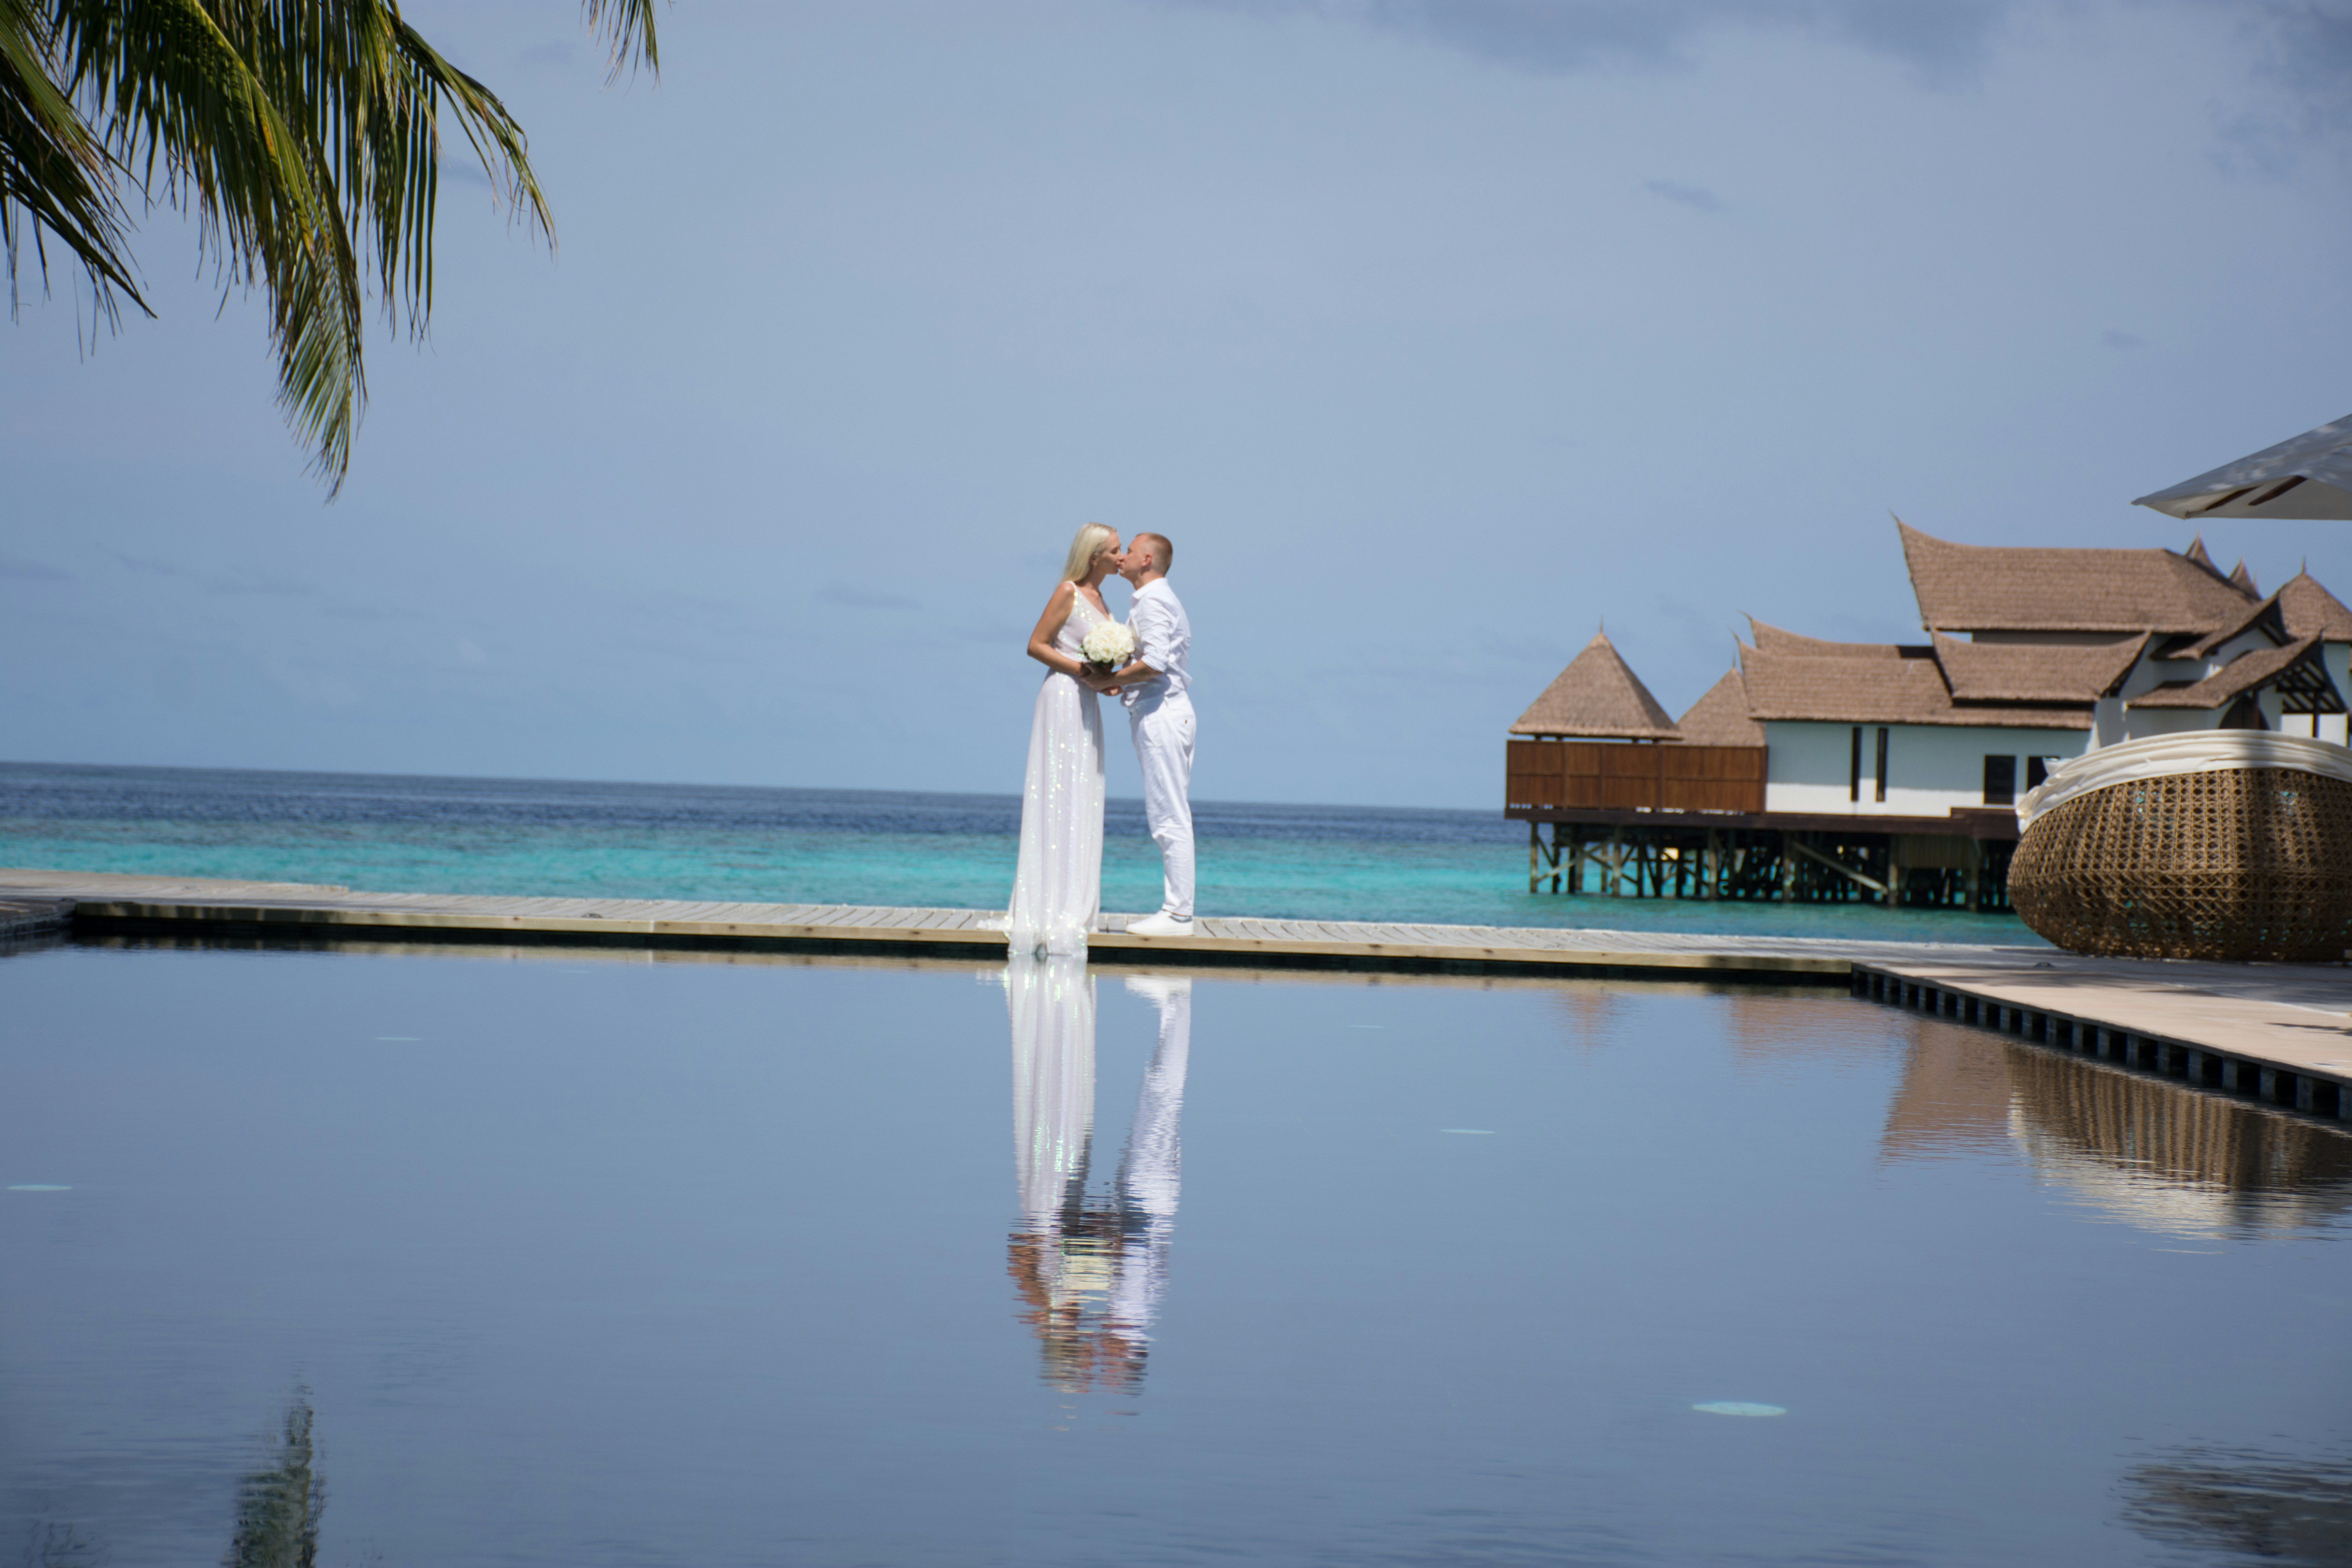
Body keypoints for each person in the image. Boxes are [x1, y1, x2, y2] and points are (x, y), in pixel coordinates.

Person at [1006, 523, 1124, 956]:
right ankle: (1045, 903)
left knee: (1082, 793)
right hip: (1061, 696)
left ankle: (1072, 901)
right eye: (1114, 551)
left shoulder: (1104, 599)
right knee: (1057, 791)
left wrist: (1108, 680)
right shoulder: (1068, 592)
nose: (1121, 557)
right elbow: (1036, 645)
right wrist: (1080, 670)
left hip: (1087, 702)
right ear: (1094, 556)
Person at [1087, 533, 1193, 937]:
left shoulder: (1153, 601)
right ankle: (1177, 910)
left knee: (1169, 815)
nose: (1123, 557)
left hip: (1163, 713)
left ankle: (1178, 913)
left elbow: (1155, 663)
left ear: (1146, 559)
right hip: (1162, 710)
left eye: (1129, 551)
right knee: (1168, 811)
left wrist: (1108, 680)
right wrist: (1121, 682)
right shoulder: (1153, 600)